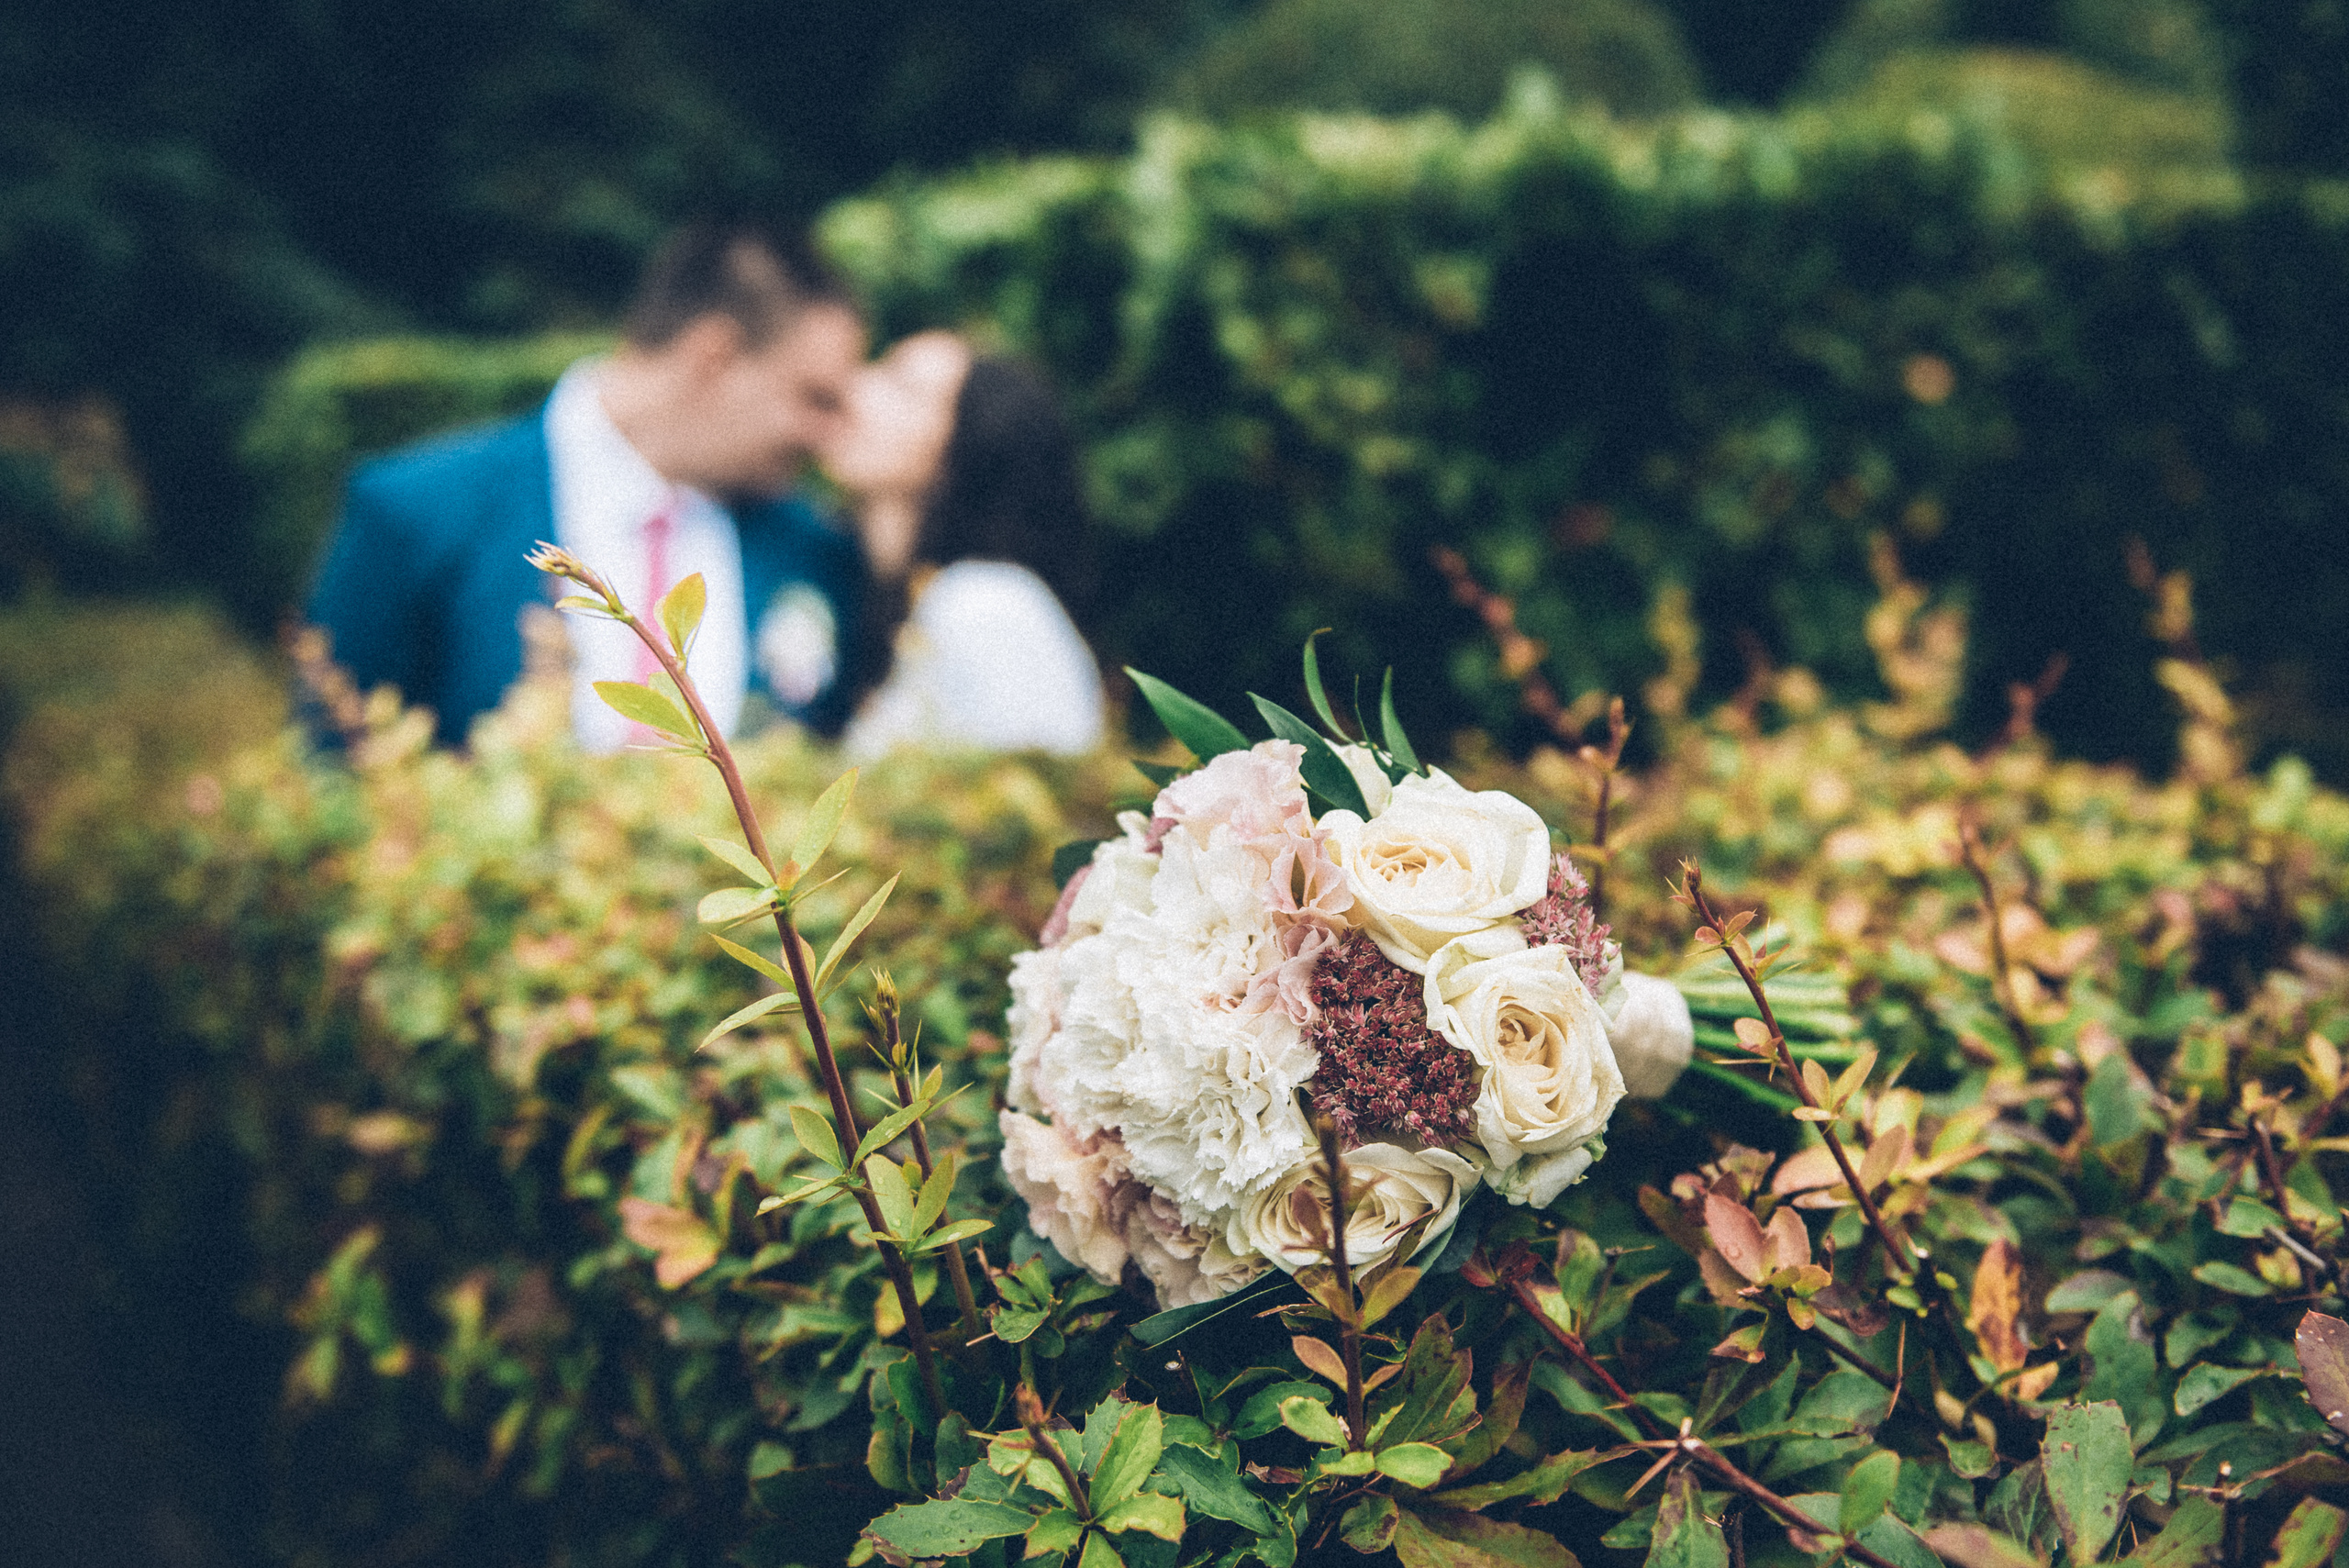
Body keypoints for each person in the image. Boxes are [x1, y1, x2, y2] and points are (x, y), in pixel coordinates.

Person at [306, 221, 869, 750]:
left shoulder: (811, 548)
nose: (832, 434)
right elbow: (334, 767)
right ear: (712, 357)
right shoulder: (415, 510)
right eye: (815, 399)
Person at [824, 331, 1106, 759]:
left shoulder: (987, 603)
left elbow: (1035, 786)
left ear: (972, 442)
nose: (856, 386)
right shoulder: (881, 598)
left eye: (904, 387)